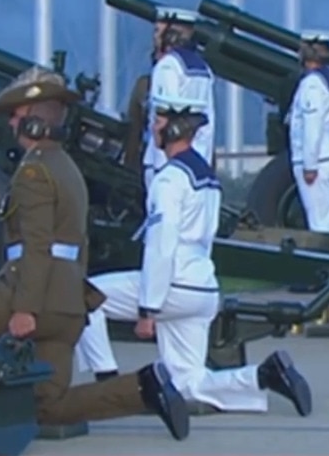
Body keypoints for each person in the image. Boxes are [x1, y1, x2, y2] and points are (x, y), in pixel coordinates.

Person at [0, 67, 191, 440]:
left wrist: (25, 309)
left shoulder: (33, 173)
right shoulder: (68, 169)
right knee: (48, 406)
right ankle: (144, 388)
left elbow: (36, 245)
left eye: (16, 116)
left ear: (32, 125)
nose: (11, 123)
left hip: (35, 297)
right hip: (66, 305)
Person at [75, 93, 313, 416]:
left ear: (173, 130)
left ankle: (107, 382)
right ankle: (266, 374)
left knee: (83, 297)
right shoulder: (207, 177)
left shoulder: (169, 179)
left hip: (172, 285)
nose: (153, 129)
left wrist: (148, 308)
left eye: (158, 123)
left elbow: (162, 245)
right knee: (188, 382)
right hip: (202, 286)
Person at [145, 7, 215, 192]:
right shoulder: (203, 69)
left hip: (168, 163)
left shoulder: (168, 66)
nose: (154, 38)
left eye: (158, 32)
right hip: (197, 162)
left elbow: (165, 116)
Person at [288, 30, 329, 234]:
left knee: (319, 222)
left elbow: (313, 125)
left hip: (317, 161)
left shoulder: (312, 84)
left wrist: (309, 164)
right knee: (328, 217)